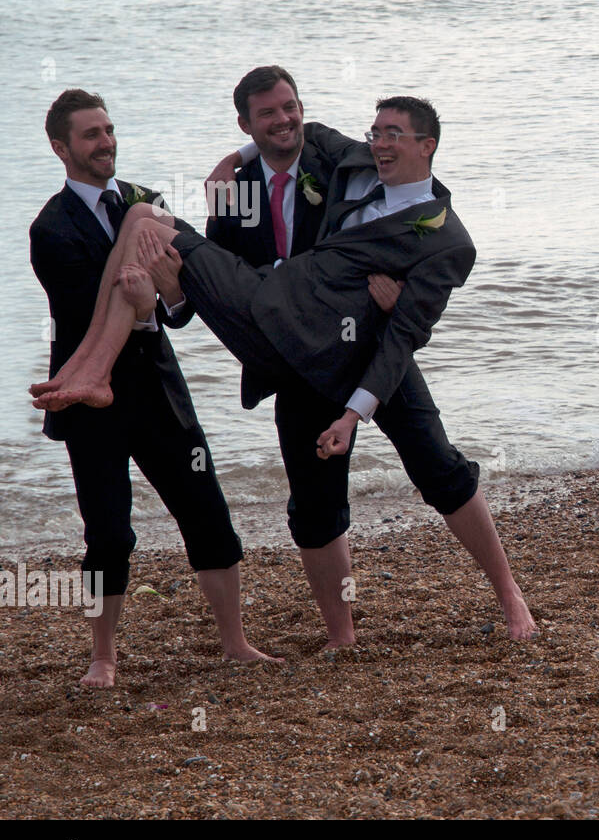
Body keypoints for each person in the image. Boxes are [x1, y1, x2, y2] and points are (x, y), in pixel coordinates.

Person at [33, 93, 538, 642]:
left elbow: (409, 330)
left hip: (374, 354)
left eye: (394, 134)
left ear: (426, 145)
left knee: (441, 468)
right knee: (313, 503)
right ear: (249, 123)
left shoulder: (441, 233)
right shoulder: (287, 177)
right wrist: (234, 162)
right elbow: (205, 287)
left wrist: (361, 392)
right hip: (297, 352)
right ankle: (341, 637)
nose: (381, 142)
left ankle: (512, 600)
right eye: (376, 132)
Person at [30, 89, 277, 688]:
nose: (106, 142)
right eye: (91, 135)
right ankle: (103, 655)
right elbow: (85, 305)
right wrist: (142, 296)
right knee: (108, 530)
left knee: (206, 510)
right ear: (62, 148)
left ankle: (235, 642)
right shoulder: (51, 227)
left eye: (109, 129)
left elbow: (182, 303)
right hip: (89, 398)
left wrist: (163, 295)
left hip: (157, 384)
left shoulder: (148, 201)